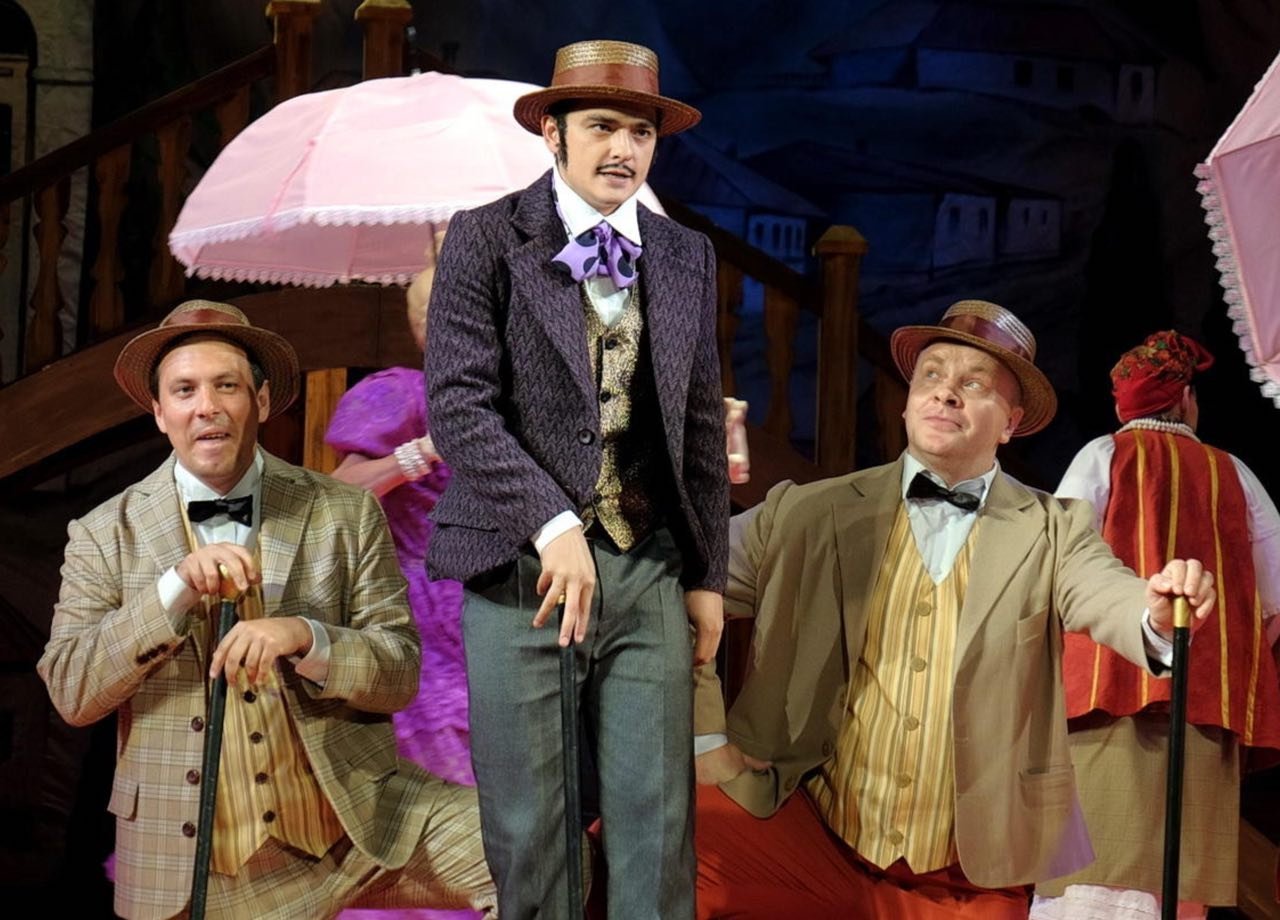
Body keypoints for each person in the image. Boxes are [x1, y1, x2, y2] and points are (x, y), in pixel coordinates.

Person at [691, 299, 1218, 920]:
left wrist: (1153, 612)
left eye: (974, 385)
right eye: (932, 376)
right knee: (657, 841)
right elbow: (676, 590)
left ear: (1010, 423)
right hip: (808, 829)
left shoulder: (1055, 529)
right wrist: (705, 736)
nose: (945, 393)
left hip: (968, 875)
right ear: (907, 402)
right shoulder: (804, 512)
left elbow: (1106, 594)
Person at [37, 300, 495, 920]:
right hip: (204, 865)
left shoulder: (343, 510)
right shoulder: (103, 534)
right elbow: (72, 691)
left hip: (361, 828)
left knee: (540, 851)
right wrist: (171, 591)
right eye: (185, 390)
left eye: (227, 386)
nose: (207, 406)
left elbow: (398, 672)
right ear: (160, 412)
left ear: (260, 399)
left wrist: (308, 638)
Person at [424, 38, 729, 919]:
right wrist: (552, 523)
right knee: (532, 829)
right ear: (553, 133)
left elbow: (699, 428)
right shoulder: (486, 236)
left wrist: (707, 575)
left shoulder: (683, 254)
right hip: (521, 572)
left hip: (646, 565)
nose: (623, 148)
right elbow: (458, 406)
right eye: (601, 126)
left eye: (641, 131)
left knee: (656, 826)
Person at [1031, 330, 1280, 920]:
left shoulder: (1102, 455)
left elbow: (1053, 561)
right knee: (1181, 875)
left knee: (1091, 866)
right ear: (1186, 399)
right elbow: (1274, 595)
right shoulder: (1234, 473)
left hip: (1102, 691)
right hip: (1205, 704)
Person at [325, 232, 475, 789]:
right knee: (441, 785)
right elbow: (342, 492)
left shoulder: (509, 406)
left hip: (497, 611)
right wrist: (424, 451)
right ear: (422, 329)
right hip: (417, 615)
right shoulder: (399, 393)